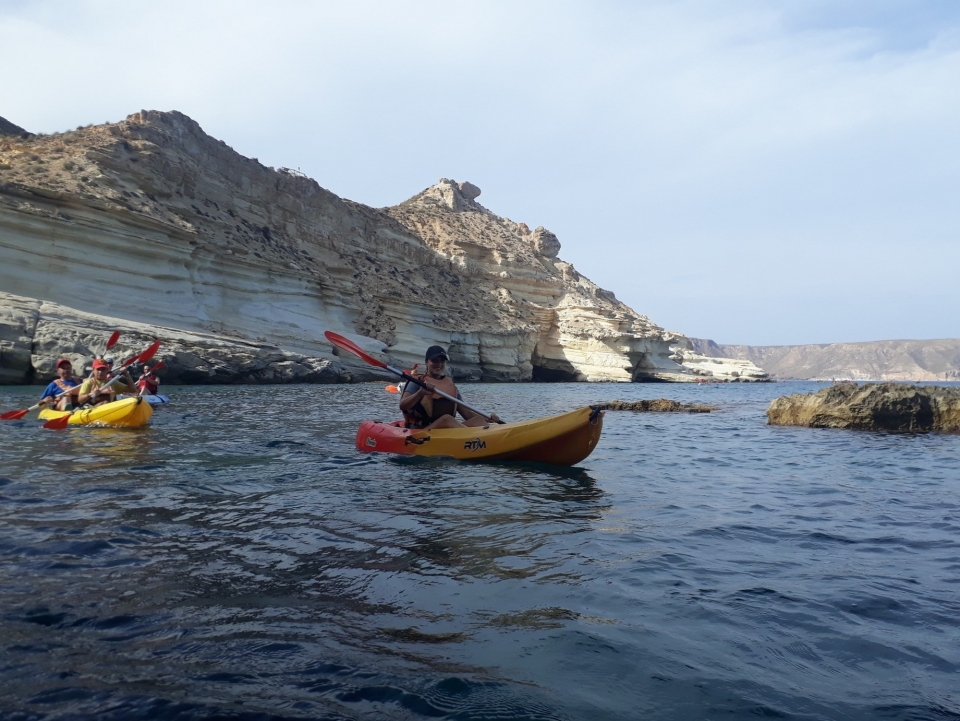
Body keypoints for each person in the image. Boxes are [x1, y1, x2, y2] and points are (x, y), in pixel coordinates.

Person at [399, 345, 500, 429]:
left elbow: (467, 414)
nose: (438, 364)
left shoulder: (450, 384)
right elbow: (402, 405)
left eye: (442, 361)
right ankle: (475, 440)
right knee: (446, 419)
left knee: (478, 420)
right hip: (423, 430)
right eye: (434, 360)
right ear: (426, 362)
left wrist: (487, 419)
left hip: (445, 431)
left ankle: (489, 439)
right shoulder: (418, 382)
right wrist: (420, 393)